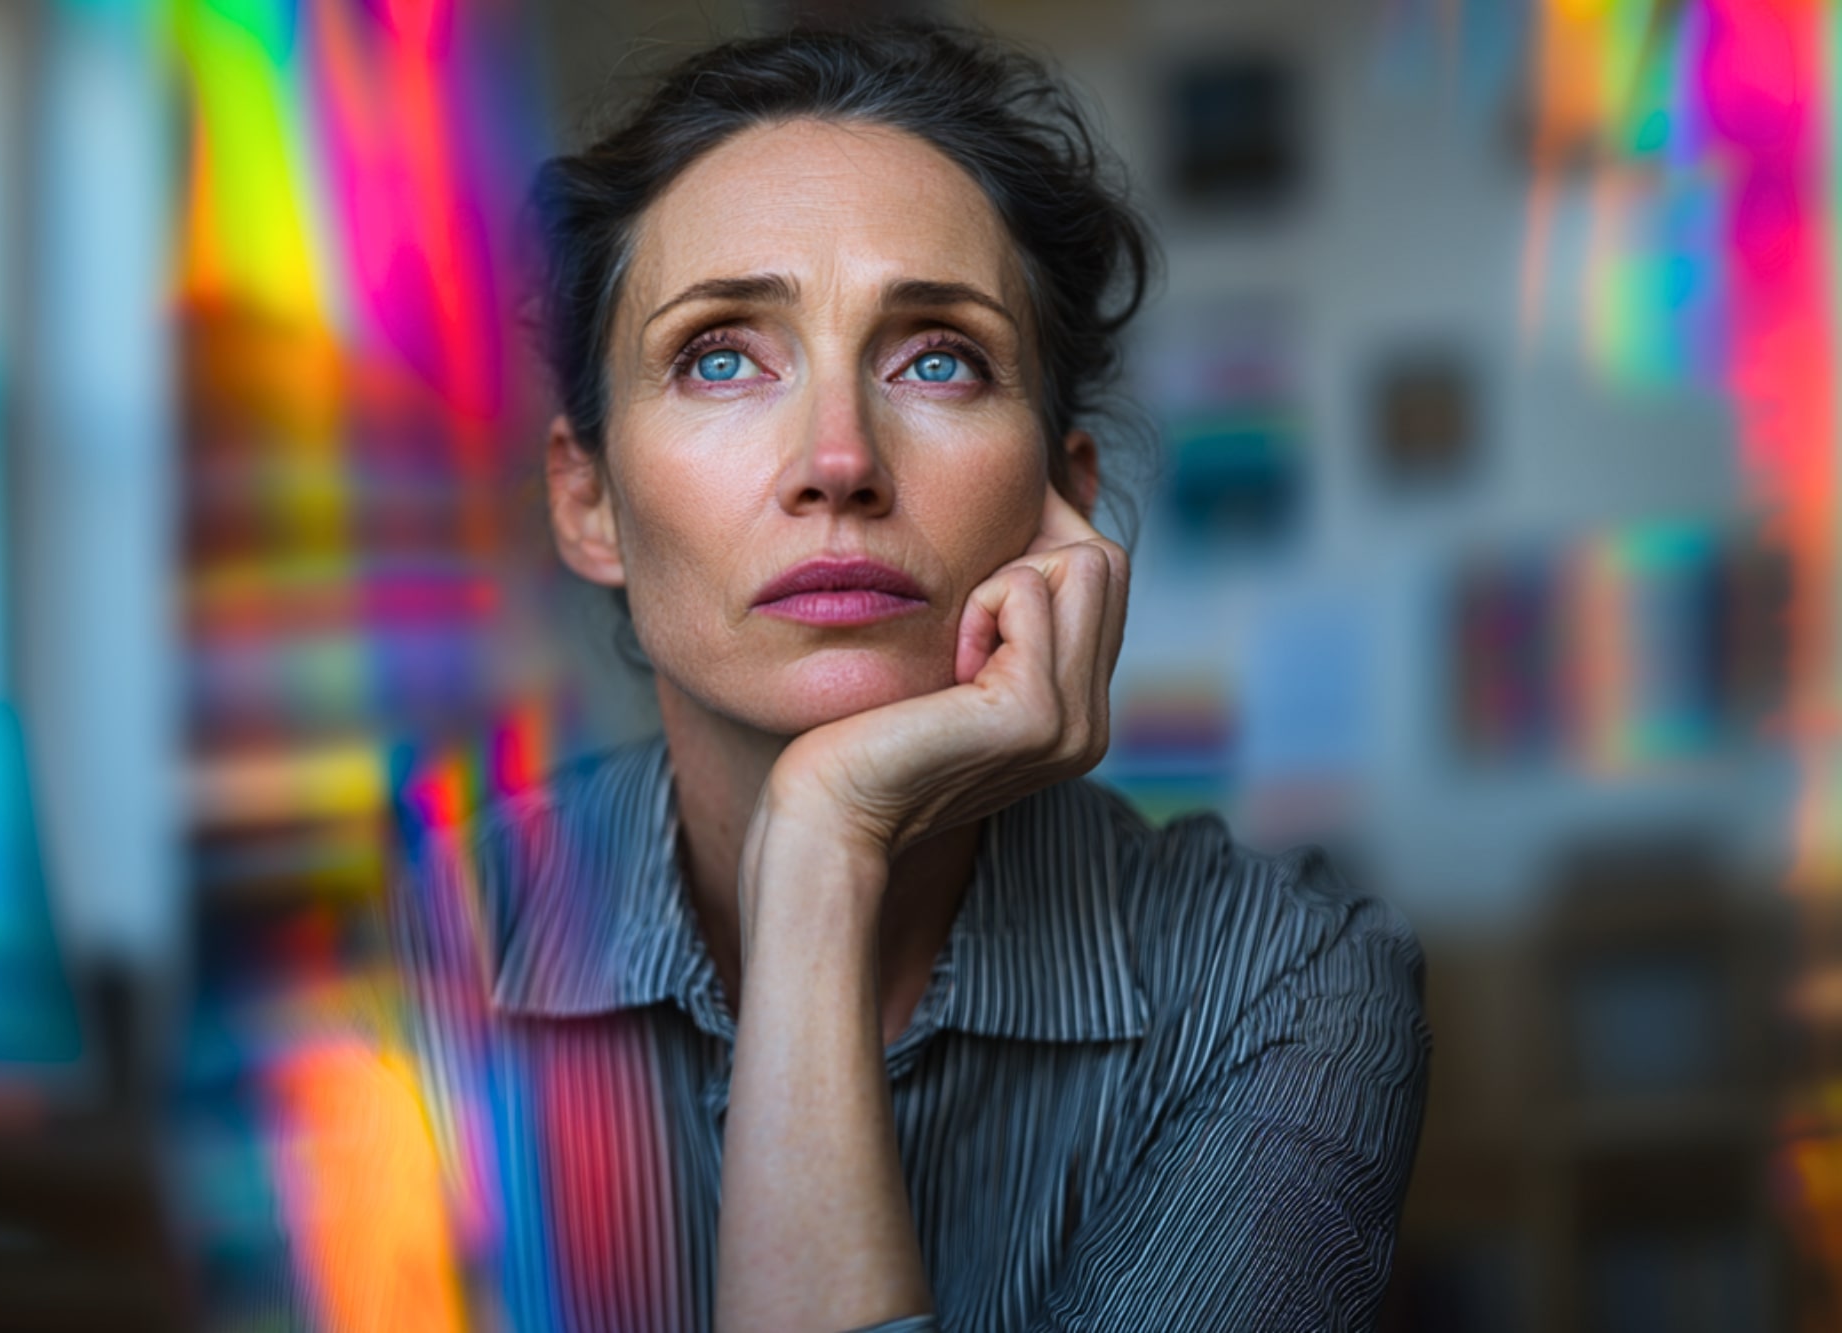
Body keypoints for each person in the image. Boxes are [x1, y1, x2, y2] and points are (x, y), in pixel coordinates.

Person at [394, 20, 1429, 1333]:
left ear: (1063, 503)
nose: (839, 459)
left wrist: (823, 850)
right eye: (721, 356)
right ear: (588, 502)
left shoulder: (1286, 987)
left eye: (939, 359)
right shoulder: (417, 958)